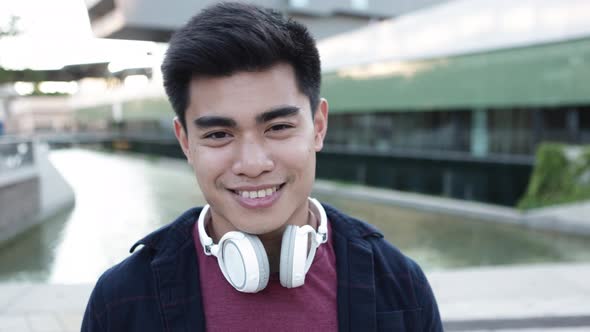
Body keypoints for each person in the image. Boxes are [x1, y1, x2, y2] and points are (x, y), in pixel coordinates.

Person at [81, 2, 442, 331]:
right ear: (185, 142)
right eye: (220, 134)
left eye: (279, 128)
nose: (252, 164)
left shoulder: (400, 285)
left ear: (318, 126)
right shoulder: (120, 302)